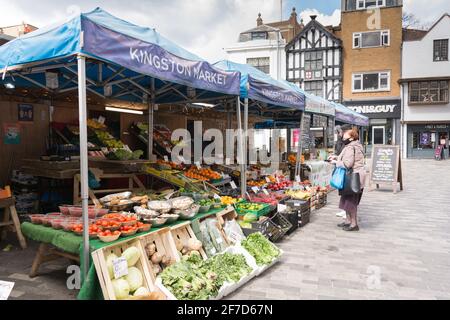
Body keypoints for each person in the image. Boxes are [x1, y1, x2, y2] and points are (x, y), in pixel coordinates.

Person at [330, 126, 365, 232]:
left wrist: (336, 162)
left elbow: (348, 164)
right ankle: (348, 221)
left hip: (352, 177)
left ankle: (354, 224)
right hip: (354, 176)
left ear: (351, 138)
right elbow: (346, 157)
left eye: (345, 136)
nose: (343, 138)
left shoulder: (350, 147)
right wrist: (336, 157)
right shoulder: (354, 145)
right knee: (346, 200)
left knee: (351, 202)